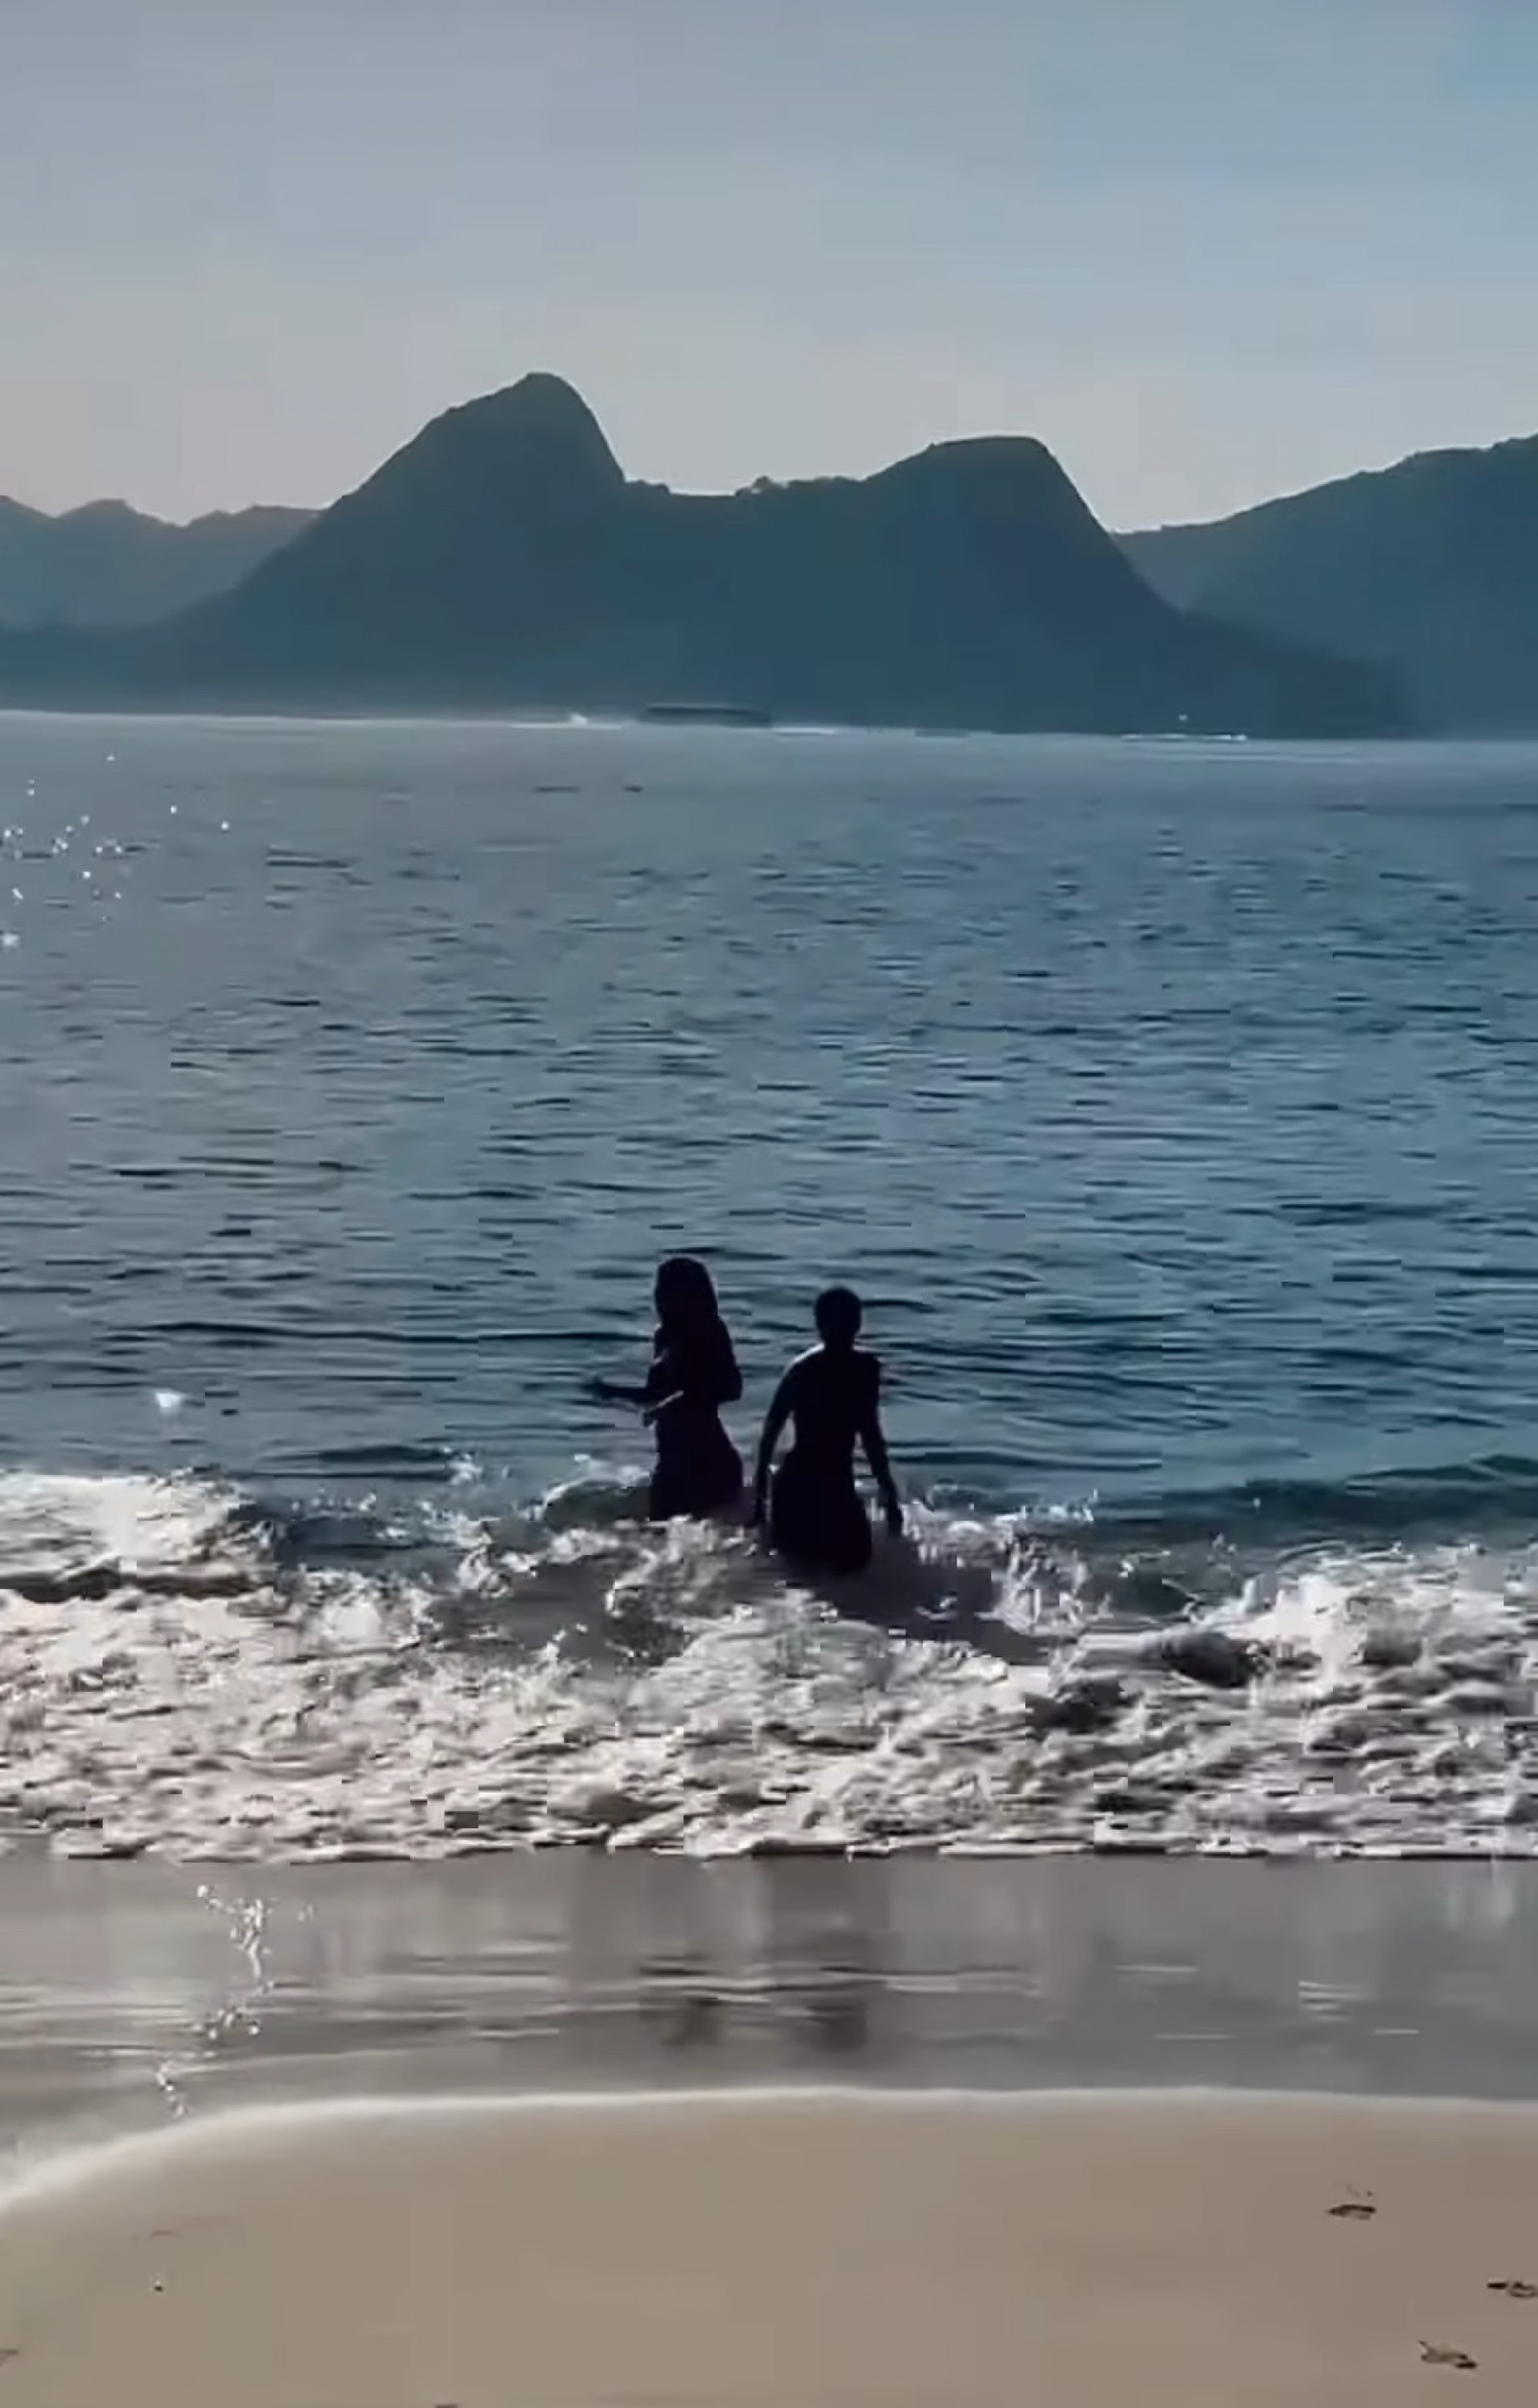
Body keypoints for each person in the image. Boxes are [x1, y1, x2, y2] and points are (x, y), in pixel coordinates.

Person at [752, 1287, 903, 1576]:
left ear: (858, 1325)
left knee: (847, 1568)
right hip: (803, 1484)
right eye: (836, 1323)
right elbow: (770, 1432)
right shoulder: (805, 1370)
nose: (841, 1331)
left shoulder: (863, 1370)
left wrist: (888, 1491)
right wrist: (761, 1498)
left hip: (830, 1482)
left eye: (847, 1322)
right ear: (820, 1325)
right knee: (812, 1571)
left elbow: (870, 1434)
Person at [590, 1257, 743, 1521]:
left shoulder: (711, 1331)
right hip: (671, 1462)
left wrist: (674, 1402)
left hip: (707, 1459)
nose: (658, 1297)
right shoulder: (664, 1335)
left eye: (667, 1290)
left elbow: (730, 1387)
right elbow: (654, 1396)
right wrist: (613, 1392)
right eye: (658, 1289)